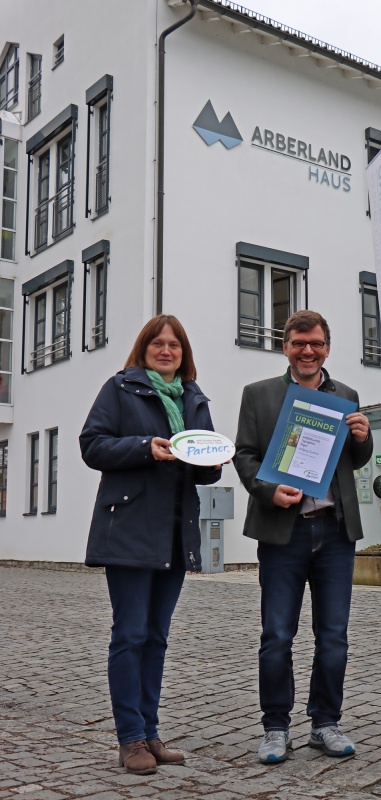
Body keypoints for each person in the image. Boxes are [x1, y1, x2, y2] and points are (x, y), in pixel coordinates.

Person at [80, 315, 222, 775]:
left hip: (176, 533)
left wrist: (214, 462)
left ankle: (150, 732)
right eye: (157, 343)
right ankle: (130, 739)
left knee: (157, 638)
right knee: (130, 635)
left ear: (184, 354)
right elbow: (92, 445)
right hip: (129, 528)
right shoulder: (120, 389)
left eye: (174, 345)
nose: (166, 350)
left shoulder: (194, 397)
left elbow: (203, 465)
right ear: (143, 349)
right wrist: (145, 446)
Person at [234, 310, 373, 764]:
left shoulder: (346, 396)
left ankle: (324, 724)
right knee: (276, 635)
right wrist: (270, 491)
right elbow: (245, 456)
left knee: (333, 636)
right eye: (298, 343)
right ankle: (276, 727)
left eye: (315, 343)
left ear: (327, 348)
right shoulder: (260, 395)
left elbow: (356, 461)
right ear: (286, 347)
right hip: (283, 534)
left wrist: (363, 437)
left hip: (335, 534)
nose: (307, 350)